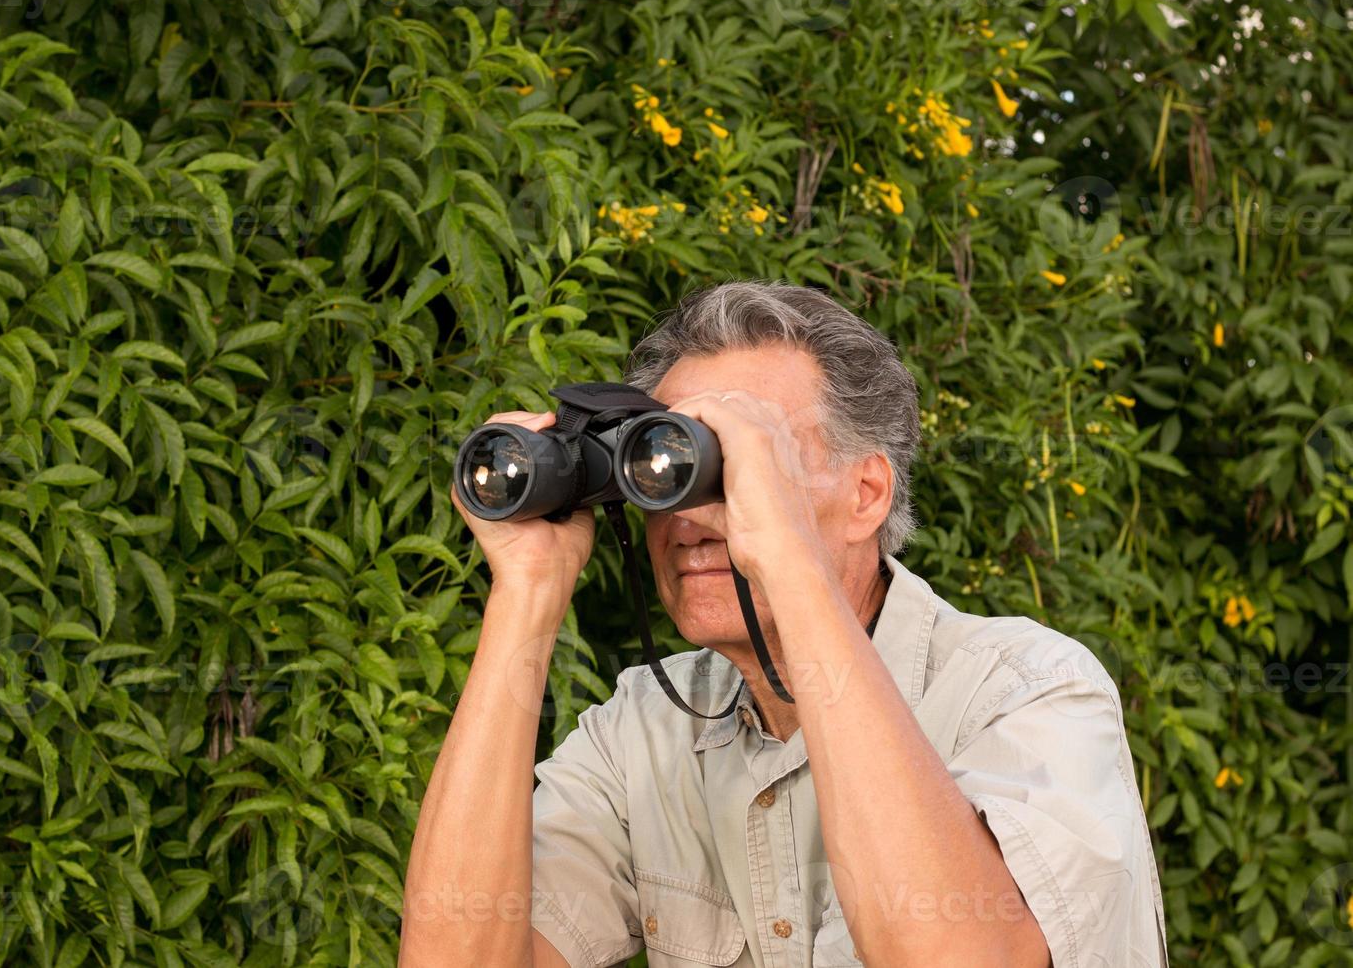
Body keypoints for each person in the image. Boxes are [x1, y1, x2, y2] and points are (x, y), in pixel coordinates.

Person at [400, 281, 1168, 967]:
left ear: (866, 495)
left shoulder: (1028, 691)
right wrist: (527, 592)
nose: (692, 518)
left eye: (732, 464)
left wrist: (787, 558)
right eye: (662, 465)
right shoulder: (645, 731)